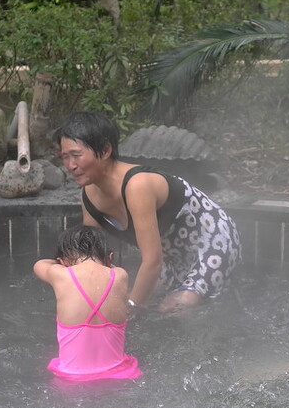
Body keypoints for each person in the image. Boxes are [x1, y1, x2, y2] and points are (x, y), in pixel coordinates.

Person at [57, 111, 241, 314]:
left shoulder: (137, 185)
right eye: (65, 157)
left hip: (213, 242)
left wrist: (129, 310)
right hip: (171, 255)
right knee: (131, 293)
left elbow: (152, 260)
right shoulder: (89, 196)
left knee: (175, 308)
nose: (70, 166)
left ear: (106, 150)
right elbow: (91, 258)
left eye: (76, 155)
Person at [33, 225, 141, 382]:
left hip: (71, 379)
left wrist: (62, 263)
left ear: (62, 262)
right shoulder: (120, 276)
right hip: (119, 376)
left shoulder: (61, 275)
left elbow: (39, 265)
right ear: (110, 258)